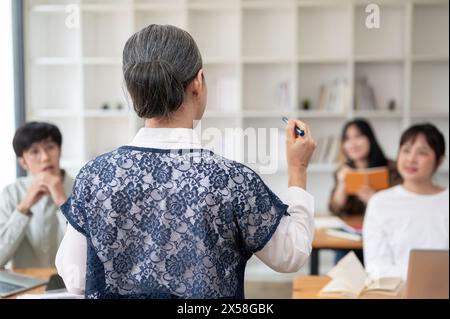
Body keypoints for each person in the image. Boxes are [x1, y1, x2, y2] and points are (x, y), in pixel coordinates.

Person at [56, 24, 317, 299]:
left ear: (132, 90)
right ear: (198, 82)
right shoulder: (231, 180)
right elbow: (291, 254)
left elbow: (75, 277)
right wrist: (298, 169)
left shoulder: (95, 176)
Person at [363, 123, 449, 280]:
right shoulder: (379, 202)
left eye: (422, 152)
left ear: (439, 160)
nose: (411, 159)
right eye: (406, 150)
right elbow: (375, 267)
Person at [0, 122, 73, 268]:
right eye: (34, 152)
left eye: (50, 147)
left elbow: (88, 252)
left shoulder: (81, 188)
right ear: (23, 163)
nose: (45, 157)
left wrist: (62, 201)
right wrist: (24, 207)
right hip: (24, 286)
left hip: (70, 287)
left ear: (60, 151)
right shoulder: (10, 193)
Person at [328, 119, 402, 263]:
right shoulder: (342, 171)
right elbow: (335, 209)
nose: (353, 143)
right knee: (343, 263)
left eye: (358, 136)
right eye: (347, 139)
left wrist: (375, 200)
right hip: (351, 239)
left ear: (370, 138)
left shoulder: (392, 169)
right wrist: (343, 184)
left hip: (385, 235)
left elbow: (400, 207)